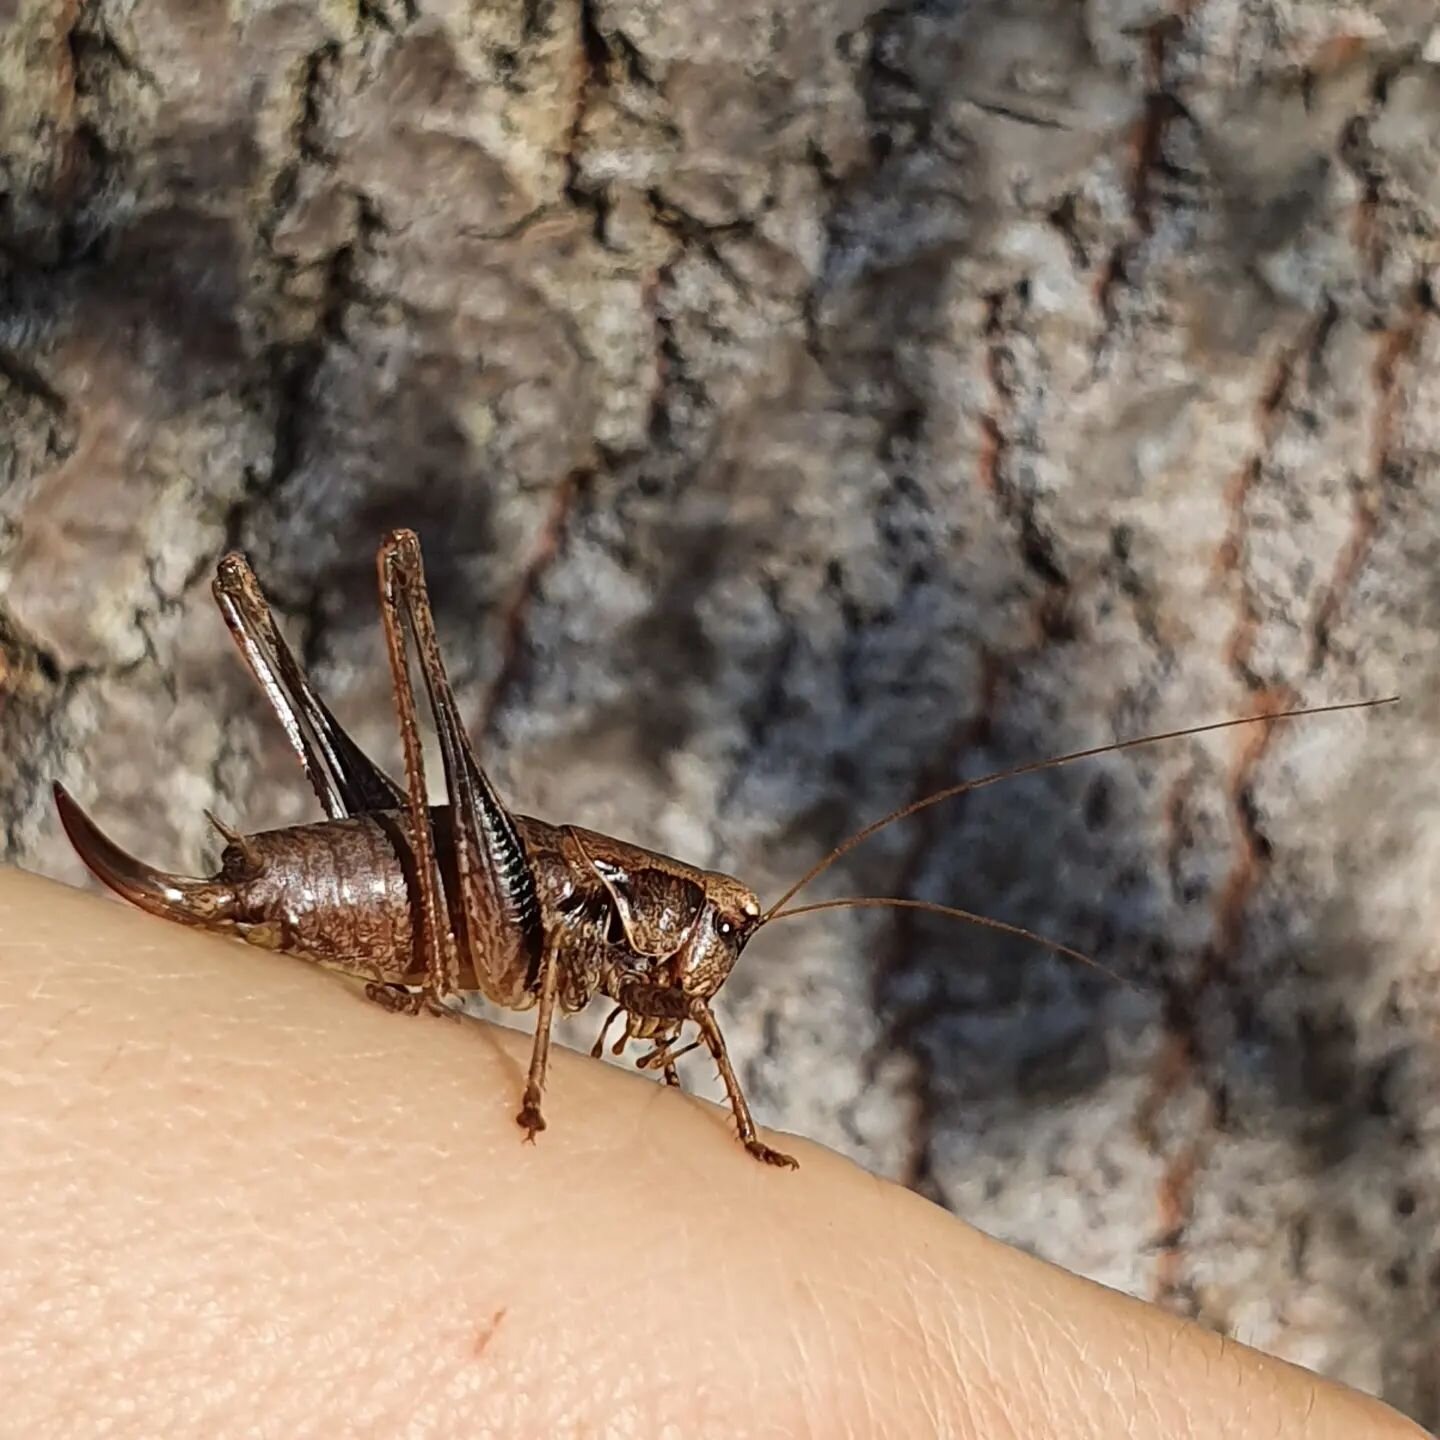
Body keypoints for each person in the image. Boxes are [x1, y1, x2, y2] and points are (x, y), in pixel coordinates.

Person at [0, 867, 1423, 1438]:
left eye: (722, 939)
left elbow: (661, 1007)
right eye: (718, 933)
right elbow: (563, 940)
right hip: (453, 893)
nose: (712, 961)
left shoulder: (673, 963)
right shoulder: (610, 925)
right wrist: (542, 1101)